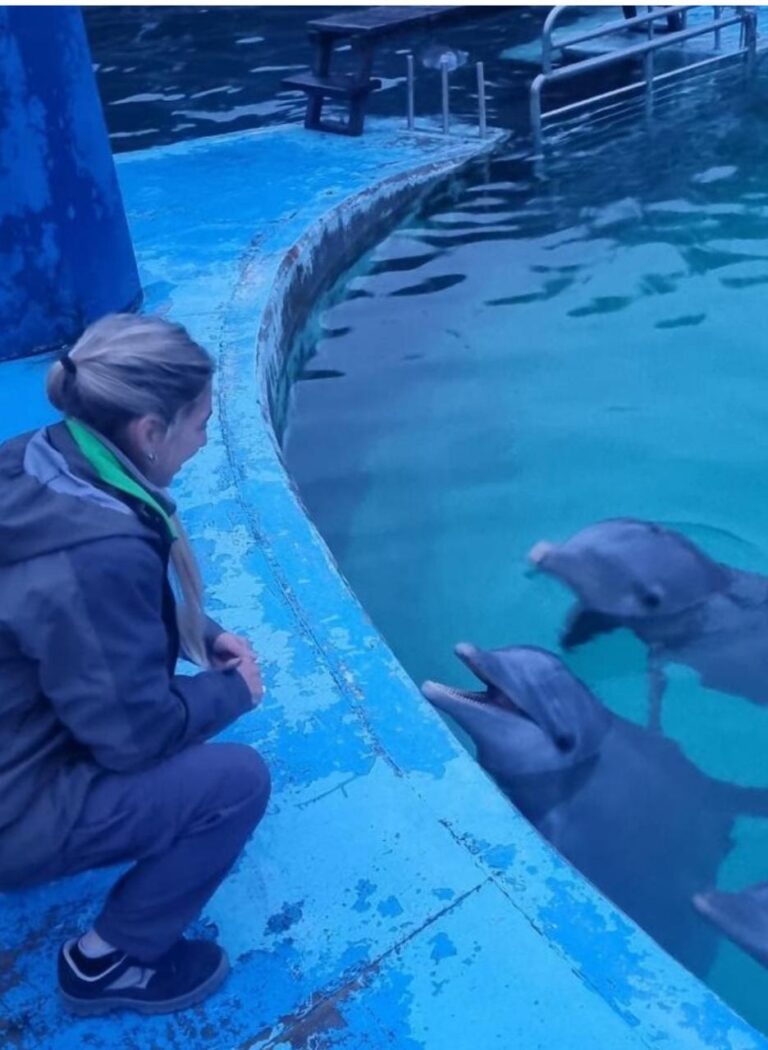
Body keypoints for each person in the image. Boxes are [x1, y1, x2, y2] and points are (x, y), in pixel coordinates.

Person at [0, 313, 270, 1016]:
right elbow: (134, 739)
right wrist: (230, 692)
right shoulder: (102, 548)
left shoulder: (37, 459)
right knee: (236, 784)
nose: (206, 439)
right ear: (150, 432)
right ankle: (108, 963)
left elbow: (62, 615)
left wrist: (194, 631)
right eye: (201, 423)